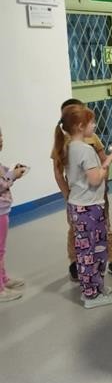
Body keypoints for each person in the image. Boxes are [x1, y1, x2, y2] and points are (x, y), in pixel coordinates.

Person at [53, 104, 112, 308]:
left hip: (79, 206)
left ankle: (96, 287)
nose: (95, 126)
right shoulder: (84, 149)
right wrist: (109, 160)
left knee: (90, 250)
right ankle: (91, 295)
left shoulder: (68, 147)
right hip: (89, 208)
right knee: (91, 252)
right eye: (91, 122)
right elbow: (95, 179)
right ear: (80, 125)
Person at [0, 125, 28, 302]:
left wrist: (12, 171)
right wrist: (12, 176)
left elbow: (4, 175)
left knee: (1, 249)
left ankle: (3, 279)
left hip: (3, 211)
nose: (1, 139)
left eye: (1, 135)